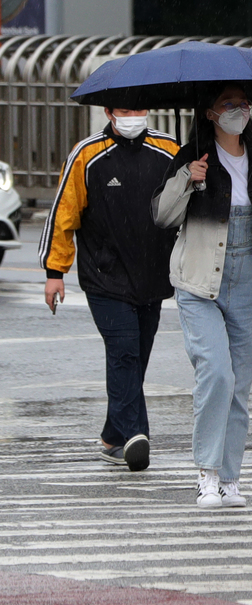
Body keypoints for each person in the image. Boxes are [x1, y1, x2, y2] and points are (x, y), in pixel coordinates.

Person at [153, 84, 252, 508]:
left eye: (243, 104)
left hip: (248, 279)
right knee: (217, 374)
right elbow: (162, 215)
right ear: (209, 113)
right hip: (197, 281)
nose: (238, 111)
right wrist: (187, 180)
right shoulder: (192, 158)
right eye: (229, 104)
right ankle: (206, 473)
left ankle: (230, 478)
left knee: (239, 385)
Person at [39, 106, 180, 472]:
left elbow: (186, 205)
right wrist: (56, 271)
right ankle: (136, 436)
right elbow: (63, 215)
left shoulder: (170, 150)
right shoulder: (87, 155)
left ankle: (111, 436)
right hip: (105, 278)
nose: (133, 115)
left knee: (137, 357)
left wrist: (193, 175)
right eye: (124, 110)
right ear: (109, 112)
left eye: (138, 109)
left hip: (153, 276)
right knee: (124, 353)